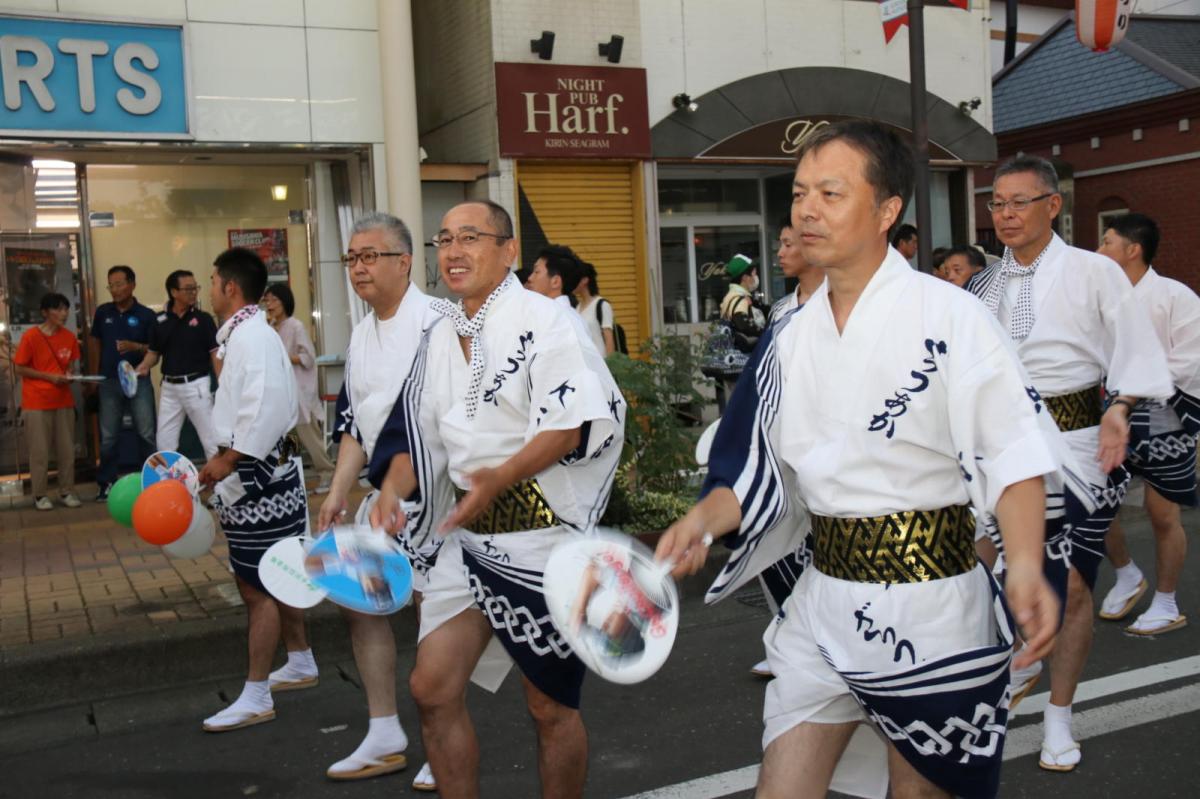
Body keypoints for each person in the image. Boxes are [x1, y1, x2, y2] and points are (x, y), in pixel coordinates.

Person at [658, 120, 1064, 799]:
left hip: (931, 611)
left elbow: (1012, 449)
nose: (807, 209)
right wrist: (703, 517)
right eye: (798, 192)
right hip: (824, 600)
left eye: (830, 192)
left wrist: (1023, 561)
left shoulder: (950, 316)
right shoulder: (788, 336)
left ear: (886, 211)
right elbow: (757, 466)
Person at [371, 199, 624, 798]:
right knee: (431, 689)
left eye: (471, 237)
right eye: (445, 239)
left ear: (508, 251)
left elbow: (567, 426)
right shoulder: (439, 337)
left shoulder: (546, 319)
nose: (454, 251)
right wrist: (389, 491)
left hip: (543, 536)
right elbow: (422, 437)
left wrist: (498, 478)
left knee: (548, 705)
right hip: (468, 534)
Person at [967, 156, 1172, 772]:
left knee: (1075, 584)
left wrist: (1123, 406)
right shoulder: (982, 286)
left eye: (1018, 202)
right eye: (996, 203)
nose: (1004, 215)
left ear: (1052, 205)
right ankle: (1013, 663)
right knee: (996, 568)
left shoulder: (1095, 272)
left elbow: (1137, 348)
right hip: (1002, 448)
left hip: (1083, 444)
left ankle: (1059, 714)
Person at [310, 212, 442, 789]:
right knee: (359, 602)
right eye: (353, 258)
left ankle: (445, 739)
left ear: (405, 261)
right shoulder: (361, 333)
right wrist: (338, 490)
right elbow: (354, 428)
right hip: (379, 501)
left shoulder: (440, 323)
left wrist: (400, 489)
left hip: (436, 499)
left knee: (434, 618)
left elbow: (447, 425)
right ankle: (384, 730)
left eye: (371, 256)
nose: (359, 267)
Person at [198, 248, 312, 734]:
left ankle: (256, 693)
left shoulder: (252, 337)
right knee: (278, 573)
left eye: (211, 280)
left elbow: (261, 409)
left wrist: (224, 462)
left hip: (258, 474)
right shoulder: (246, 335)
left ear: (229, 287)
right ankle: (301, 658)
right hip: (261, 471)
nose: (208, 289)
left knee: (257, 584)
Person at [1096, 213, 1200, 635]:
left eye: (1106, 242)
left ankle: (1166, 600)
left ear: (1132, 249)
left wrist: (1131, 393)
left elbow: (1190, 358)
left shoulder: (1175, 295)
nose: (1099, 251)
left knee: (1161, 513)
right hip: (1107, 411)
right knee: (1096, 506)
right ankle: (1126, 573)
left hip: (1163, 412)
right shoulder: (1102, 297)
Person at [135, 270, 220, 460]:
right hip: (169, 388)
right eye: (188, 288)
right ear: (173, 292)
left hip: (196, 386)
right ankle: (169, 486)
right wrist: (143, 366)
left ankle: (222, 487)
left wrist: (222, 384)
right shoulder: (159, 321)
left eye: (195, 288)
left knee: (211, 440)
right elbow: (154, 354)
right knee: (164, 442)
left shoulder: (204, 320)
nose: (193, 292)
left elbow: (215, 353)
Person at [89, 265, 157, 501]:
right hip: (109, 382)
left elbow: (156, 349)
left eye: (119, 284)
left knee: (146, 432)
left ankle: (150, 480)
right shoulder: (103, 312)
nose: (115, 290)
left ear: (132, 284)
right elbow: (95, 343)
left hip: (139, 382)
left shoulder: (146, 315)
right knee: (108, 435)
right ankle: (106, 482)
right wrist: (95, 375)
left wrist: (135, 346)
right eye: (111, 285)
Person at [263, 283, 335, 495]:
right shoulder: (272, 327)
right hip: (281, 393)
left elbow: (308, 357)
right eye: (267, 300)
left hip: (298, 392)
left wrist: (285, 358)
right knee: (287, 437)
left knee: (308, 435)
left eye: (274, 300)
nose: (270, 304)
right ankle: (290, 476)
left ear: (285, 301)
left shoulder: (295, 326)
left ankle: (327, 472)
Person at [14, 293, 81, 510]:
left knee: (66, 451)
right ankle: (40, 495)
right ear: (45, 312)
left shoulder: (69, 337)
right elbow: (19, 367)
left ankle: (66, 491)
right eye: (58, 309)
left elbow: (70, 365)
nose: (63, 314)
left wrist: (69, 375)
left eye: (66, 309)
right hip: (36, 402)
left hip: (63, 401)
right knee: (39, 451)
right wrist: (48, 377)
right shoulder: (31, 337)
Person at [768, 216, 824, 324]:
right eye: (781, 245)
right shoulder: (779, 311)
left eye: (788, 245)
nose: (780, 253)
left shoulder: (841, 307)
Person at [720, 254, 768, 353]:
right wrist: (768, 333)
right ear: (745, 278)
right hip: (746, 358)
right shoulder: (739, 299)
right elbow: (743, 325)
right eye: (754, 274)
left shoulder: (734, 295)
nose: (756, 278)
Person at [574, 261, 617, 356]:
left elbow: (609, 339)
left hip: (601, 365)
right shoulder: (577, 308)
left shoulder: (602, 305)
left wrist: (609, 367)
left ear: (585, 280)